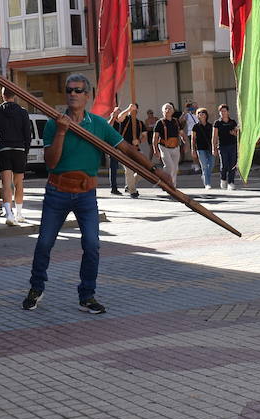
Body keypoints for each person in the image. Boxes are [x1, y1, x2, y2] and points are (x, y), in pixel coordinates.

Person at [23, 74, 170, 314]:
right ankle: (36, 288)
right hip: (57, 191)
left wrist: (154, 170)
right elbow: (51, 162)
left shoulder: (99, 125)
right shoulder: (54, 123)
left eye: (78, 90)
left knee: (92, 244)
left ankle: (87, 295)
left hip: (86, 195)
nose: (73, 94)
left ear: (87, 95)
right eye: (69, 90)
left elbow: (127, 150)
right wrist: (61, 132)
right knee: (44, 243)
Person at [0, 88, 32, 225]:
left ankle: (9, 215)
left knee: (6, 184)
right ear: (15, 95)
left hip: (3, 150)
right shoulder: (23, 112)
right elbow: (27, 134)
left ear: (2, 95)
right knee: (19, 183)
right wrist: (26, 150)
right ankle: (19, 214)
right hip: (19, 149)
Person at [111, 103, 147, 197]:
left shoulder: (140, 123)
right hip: (124, 149)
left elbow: (144, 137)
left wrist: (138, 140)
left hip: (135, 149)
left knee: (144, 169)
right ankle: (133, 191)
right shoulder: (125, 119)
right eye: (132, 109)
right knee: (129, 170)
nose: (133, 111)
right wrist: (128, 109)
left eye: (135, 109)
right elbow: (119, 117)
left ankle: (129, 185)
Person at [152, 103, 183, 180]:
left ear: (173, 111)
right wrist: (155, 150)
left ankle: (173, 187)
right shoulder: (159, 123)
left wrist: (186, 143)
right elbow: (155, 138)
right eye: (166, 108)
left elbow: (182, 133)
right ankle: (166, 182)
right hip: (164, 147)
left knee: (175, 168)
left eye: (170, 108)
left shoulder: (176, 121)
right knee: (170, 166)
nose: (168, 110)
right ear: (163, 111)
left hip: (176, 147)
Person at [213, 104, 239, 190]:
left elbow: (237, 135)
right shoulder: (217, 123)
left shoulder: (233, 122)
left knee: (232, 164)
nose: (223, 113)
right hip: (222, 146)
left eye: (224, 111)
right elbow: (215, 136)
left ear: (228, 112)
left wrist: (234, 134)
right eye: (221, 111)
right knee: (224, 165)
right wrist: (214, 148)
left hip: (232, 145)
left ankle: (231, 182)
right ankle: (223, 179)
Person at [190, 107, 215, 190]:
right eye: (199, 113)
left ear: (206, 115)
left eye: (203, 113)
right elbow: (193, 139)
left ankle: (204, 176)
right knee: (204, 166)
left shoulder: (210, 126)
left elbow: (214, 137)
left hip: (210, 148)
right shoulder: (195, 126)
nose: (201, 115)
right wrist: (193, 150)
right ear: (198, 116)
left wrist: (215, 147)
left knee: (211, 165)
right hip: (200, 148)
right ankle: (207, 184)